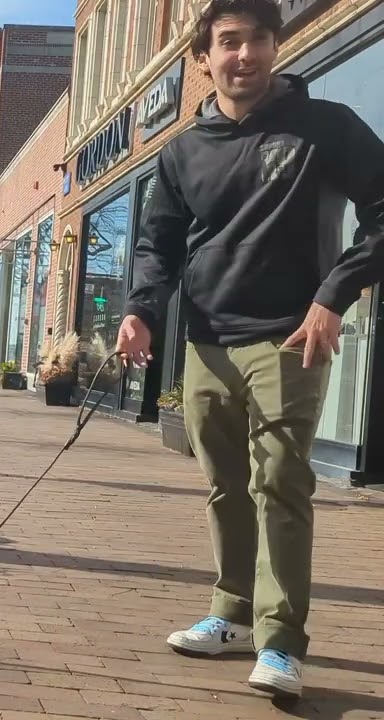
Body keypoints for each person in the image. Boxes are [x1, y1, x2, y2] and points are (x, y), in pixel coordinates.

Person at [116, 0, 384, 701]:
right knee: (225, 485)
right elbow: (159, 245)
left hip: (291, 335)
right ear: (203, 59)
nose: (245, 55)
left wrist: (337, 292)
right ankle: (231, 612)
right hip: (208, 342)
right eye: (229, 42)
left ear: (276, 46)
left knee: (282, 485)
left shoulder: (325, 127)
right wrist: (143, 313)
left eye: (258, 40)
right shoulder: (182, 151)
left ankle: (283, 643)